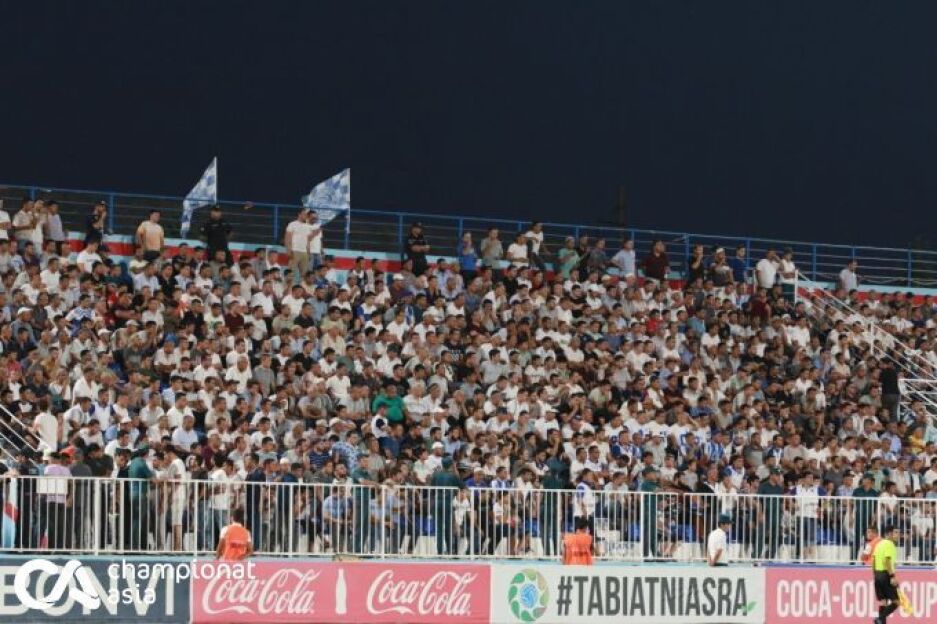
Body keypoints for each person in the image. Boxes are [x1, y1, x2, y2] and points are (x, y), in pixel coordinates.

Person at [871, 525, 900, 624]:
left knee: (883, 602)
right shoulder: (889, 544)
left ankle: (881, 621)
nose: (898, 535)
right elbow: (887, 561)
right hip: (885, 575)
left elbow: (874, 560)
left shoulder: (879, 544)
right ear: (890, 533)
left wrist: (875, 574)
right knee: (896, 602)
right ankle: (879, 618)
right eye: (896, 532)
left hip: (877, 575)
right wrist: (892, 577)